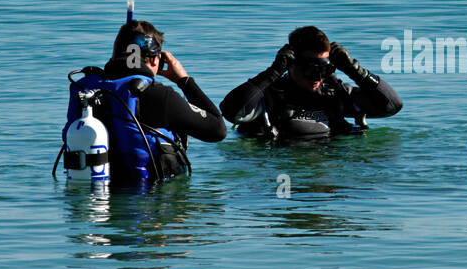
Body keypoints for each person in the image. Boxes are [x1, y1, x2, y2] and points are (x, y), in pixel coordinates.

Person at [65, 19, 227, 183]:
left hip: (95, 194)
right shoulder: (159, 95)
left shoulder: (83, 89)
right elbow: (217, 130)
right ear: (157, 59)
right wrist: (184, 81)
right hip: (150, 199)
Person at [220, 26, 402, 140]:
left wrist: (356, 71)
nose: (317, 78)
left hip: (331, 170)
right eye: (310, 70)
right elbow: (230, 111)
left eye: (324, 70)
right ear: (291, 64)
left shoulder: (334, 93)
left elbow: (391, 106)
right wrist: (273, 72)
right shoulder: (271, 98)